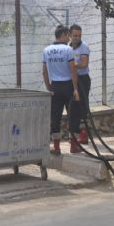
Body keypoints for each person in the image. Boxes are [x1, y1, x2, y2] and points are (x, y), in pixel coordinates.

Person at [42, 25, 80, 155]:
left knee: (55, 117)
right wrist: (75, 89)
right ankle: (74, 146)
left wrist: (48, 86)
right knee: (73, 115)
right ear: (63, 35)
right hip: (68, 86)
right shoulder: (68, 49)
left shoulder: (46, 50)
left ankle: (56, 147)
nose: (69, 37)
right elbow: (73, 69)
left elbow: (44, 72)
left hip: (55, 86)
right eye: (68, 35)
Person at [69, 24, 91, 146]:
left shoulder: (84, 47)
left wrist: (72, 65)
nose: (77, 37)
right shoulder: (68, 47)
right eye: (75, 35)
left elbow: (84, 64)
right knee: (73, 108)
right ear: (70, 35)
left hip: (82, 79)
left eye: (79, 35)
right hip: (72, 79)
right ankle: (73, 135)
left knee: (83, 106)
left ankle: (83, 135)